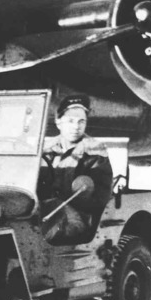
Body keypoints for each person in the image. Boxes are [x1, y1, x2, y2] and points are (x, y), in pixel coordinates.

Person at [40, 94, 113, 244]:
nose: (76, 127)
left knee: (41, 235)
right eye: (71, 121)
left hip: (79, 216)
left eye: (81, 121)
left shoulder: (95, 152)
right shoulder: (45, 149)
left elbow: (101, 197)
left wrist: (65, 204)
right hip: (47, 211)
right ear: (58, 122)